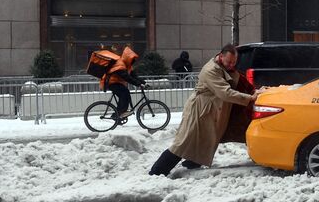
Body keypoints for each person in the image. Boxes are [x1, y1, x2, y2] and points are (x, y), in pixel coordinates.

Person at [149, 44, 259, 176]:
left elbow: (239, 80)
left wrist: (253, 90)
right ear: (221, 56)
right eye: (229, 62)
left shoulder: (223, 67)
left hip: (208, 111)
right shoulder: (211, 70)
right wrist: (250, 98)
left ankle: (191, 164)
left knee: (204, 140)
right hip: (199, 111)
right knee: (182, 144)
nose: (231, 65)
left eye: (234, 62)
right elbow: (225, 93)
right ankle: (156, 172)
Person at [100, 46, 146, 119]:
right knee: (124, 93)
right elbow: (126, 77)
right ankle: (122, 112)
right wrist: (138, 84)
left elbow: (134, 76)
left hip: (115, 82)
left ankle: (117, 116)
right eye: (132, 60)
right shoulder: (120, 64)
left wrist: (143, 82)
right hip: (111, 82)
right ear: (128, 59)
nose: (132, 62)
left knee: (125, 93)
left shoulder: (127, 66)